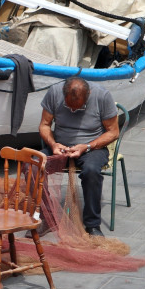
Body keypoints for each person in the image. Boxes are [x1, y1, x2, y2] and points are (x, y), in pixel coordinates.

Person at [38, 77, 120, 237]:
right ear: (64, 95)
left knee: (91, 170)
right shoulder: (54, 92)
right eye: (70, 107)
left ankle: (92, 224)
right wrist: (54, 144)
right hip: (60, 147)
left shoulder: (102, 96)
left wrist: (87, 146)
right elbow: (45, 124)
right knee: (33, 165)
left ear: (88, 95)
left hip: (92, 148)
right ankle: (46, 216)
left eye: (78, 108)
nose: (73, 111)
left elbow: (113, 132)